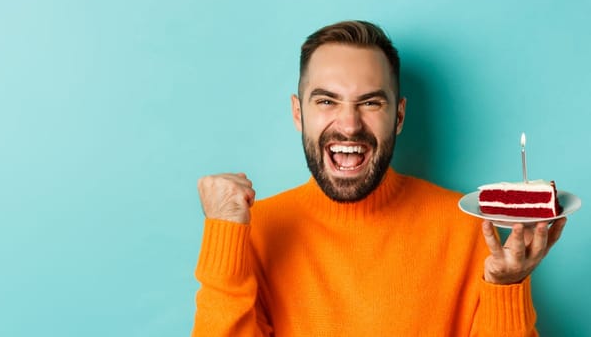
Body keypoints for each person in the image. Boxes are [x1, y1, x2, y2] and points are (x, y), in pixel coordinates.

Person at [192, 20, 566, 336]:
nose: (350, 124)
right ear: (297, 113)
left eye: (371, 103)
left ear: (399, 117)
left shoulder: (464, 226)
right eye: (326, 101)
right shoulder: (256, 232)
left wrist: (506, 287)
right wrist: (224, 237)